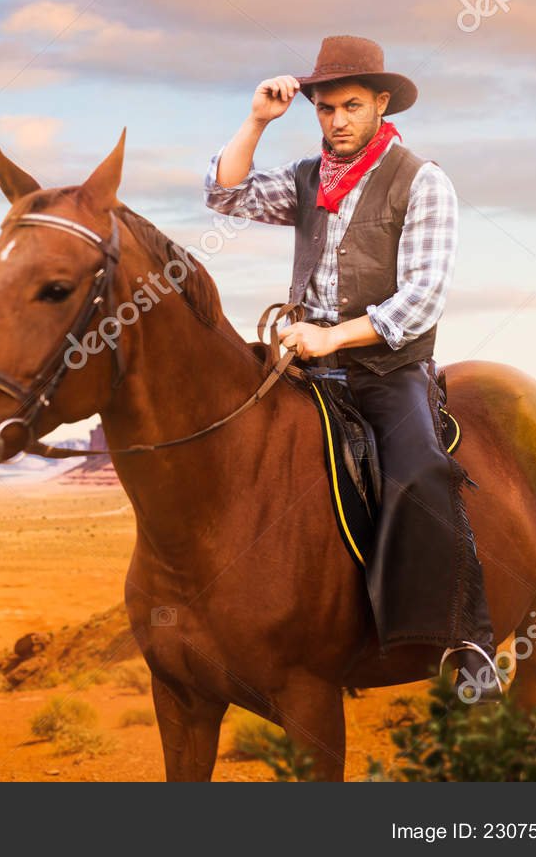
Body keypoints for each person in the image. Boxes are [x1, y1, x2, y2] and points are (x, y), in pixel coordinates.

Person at [203, 34, 501, 703]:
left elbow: (421, 298)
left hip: (385, 370)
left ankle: (470, 642)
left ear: (381, 103)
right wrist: (256, 120)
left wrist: (333, 337)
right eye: (325, 108)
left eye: (351, 106)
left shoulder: (421, 181)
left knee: (420, 471)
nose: (336, 120)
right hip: (305, 363)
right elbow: (226, 195)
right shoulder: (309, 178)